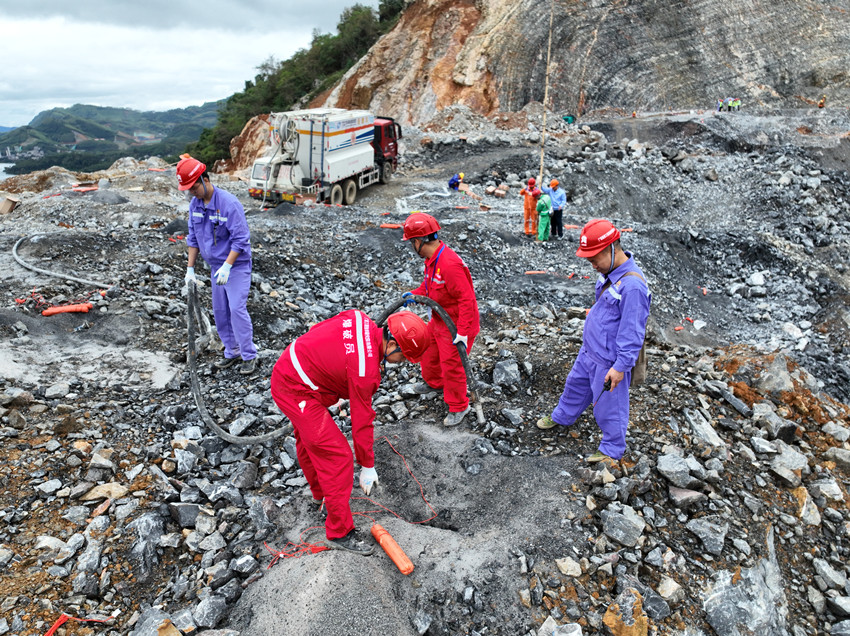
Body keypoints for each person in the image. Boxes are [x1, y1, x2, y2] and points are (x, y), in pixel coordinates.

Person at [270, 310, 430, 555]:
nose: (403, 363)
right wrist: (367, 465)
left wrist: (327, 378)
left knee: (308, 438)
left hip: (290, 364)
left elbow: (318, 331)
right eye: (404, 357)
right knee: (338, 456)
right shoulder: (366, 372)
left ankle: (320, 495)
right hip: (295, 388)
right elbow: (362, 420)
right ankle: (340, 532)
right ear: (392, 343)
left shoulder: (359, 318)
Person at [536, 219, 651, 464]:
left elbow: (633, 333)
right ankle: (563, 417)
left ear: (612, 249)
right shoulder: (608, 272)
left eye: (594, 259)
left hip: (609, 360)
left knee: (609, 407)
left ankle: (612, 448)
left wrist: (620, 367)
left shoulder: (633, 287)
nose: (592, 265)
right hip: (590, 351)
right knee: (574, 386)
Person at [179, 156, 257, 375]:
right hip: (215, 268)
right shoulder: (195, 205)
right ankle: (231, 352)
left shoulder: (228, 204)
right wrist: (190, 269)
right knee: (220, 311)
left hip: (236, 266)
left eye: (193, 187)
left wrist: (228, 266)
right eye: (188, 189)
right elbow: (193, 238)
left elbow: (241, 240)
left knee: (236, 309)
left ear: (205, 179)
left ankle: (249, 355)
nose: (191, 192)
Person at [401, 212, 480, 427]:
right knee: (428, 350)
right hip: (439, 320)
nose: (411, 246)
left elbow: (467, 300)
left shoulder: (449, 264)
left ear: (418, 241)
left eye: (411, 242)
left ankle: (459, 406)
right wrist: (414, 294)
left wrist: (462, 333)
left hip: (455, 325)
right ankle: (436, 383)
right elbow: (429, 289)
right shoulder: (431, 261)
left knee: (452, 365)